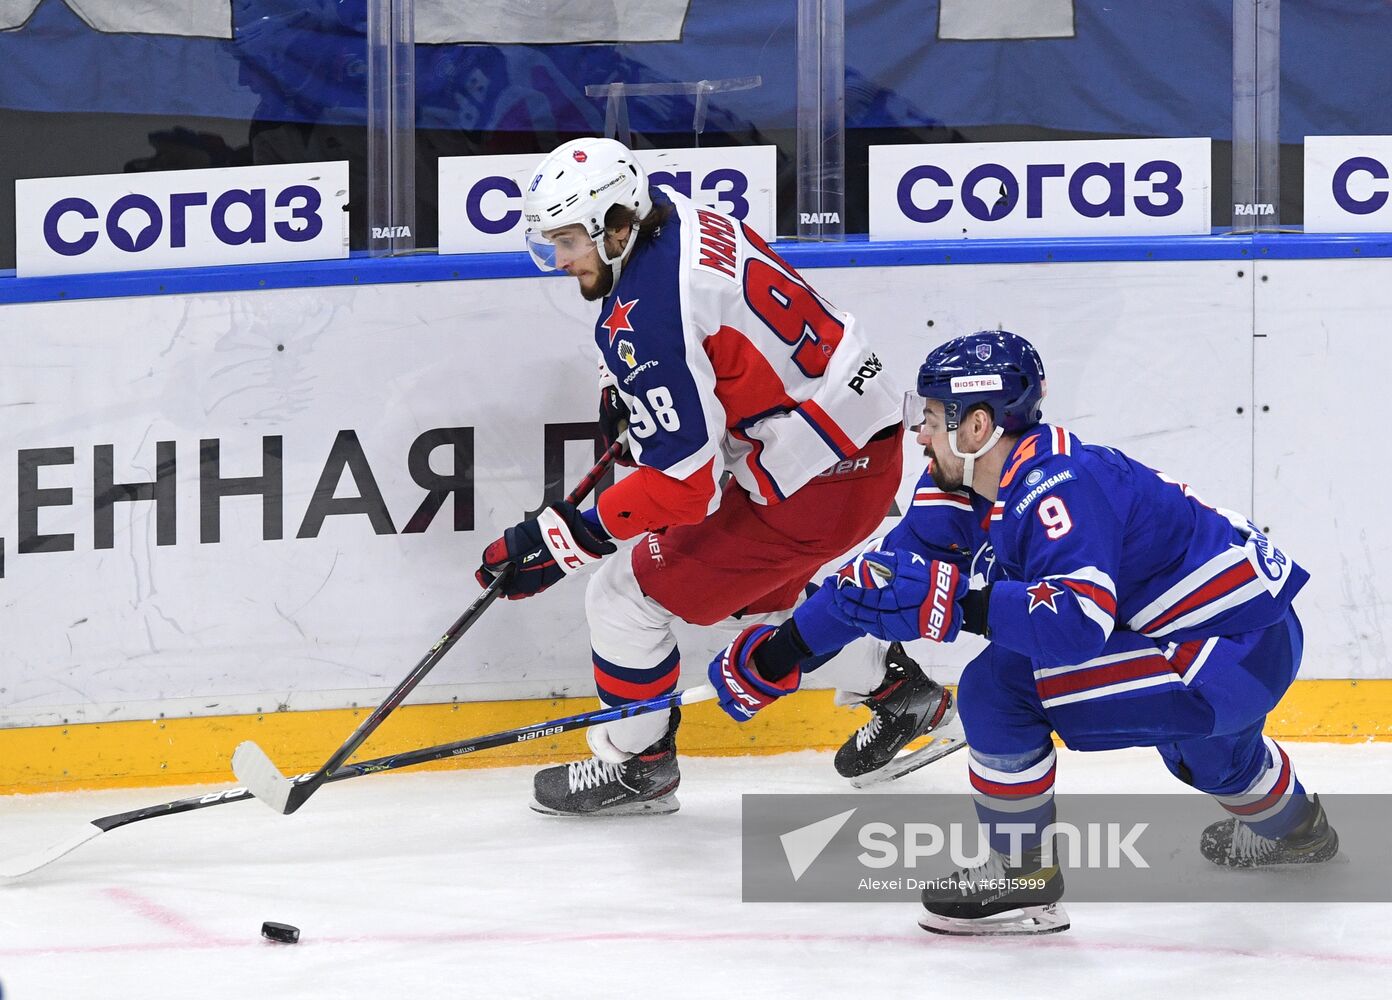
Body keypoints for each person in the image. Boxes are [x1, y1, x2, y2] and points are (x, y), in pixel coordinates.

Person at [706, 329, 1337, 935]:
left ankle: (1022, 877)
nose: (919, 432)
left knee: (1000, 686)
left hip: (1227, 652)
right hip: (1244, 641)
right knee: (1215, 756)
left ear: (976, 425)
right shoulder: (962, 488)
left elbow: (1076, 623)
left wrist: (957, 602)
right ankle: (1302, 830)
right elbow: (877, 581)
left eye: (932, 414)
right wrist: (781, 653)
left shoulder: (1055, 487)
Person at [475, 136, 957, 816]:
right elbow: (724, 349)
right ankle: (898, 691)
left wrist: (566, 538)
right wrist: (640, 398)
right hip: (850, 446)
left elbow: (686, 487)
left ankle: (636, 765)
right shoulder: (680, 218)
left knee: (622, 595)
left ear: (617, 228)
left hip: (817, 479)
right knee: (751, 600)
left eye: (570, 241)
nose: (560, 260)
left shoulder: (648, 314)